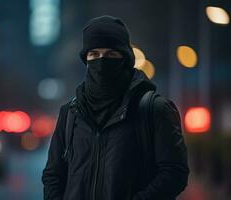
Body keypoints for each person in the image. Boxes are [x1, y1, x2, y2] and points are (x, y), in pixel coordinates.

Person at [42, 15, 189, 200]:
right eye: (94, 54)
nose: (101, 61)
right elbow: (53, 175)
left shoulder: (154, 109)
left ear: (125, 58)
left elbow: (175, 173)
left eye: (111, 54)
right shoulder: (71, 113)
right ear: (86, 60)